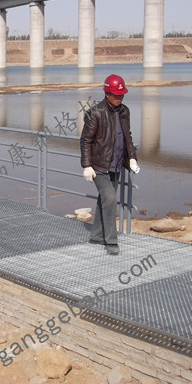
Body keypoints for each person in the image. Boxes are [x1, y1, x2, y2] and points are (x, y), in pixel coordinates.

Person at [80, 74, 140, 255]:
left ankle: (96, 236)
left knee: (105, 200)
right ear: (107, 93)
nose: (119, 98)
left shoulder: (124, 111)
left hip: (116, 164)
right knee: (110, 199)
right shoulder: (95, 113)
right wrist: (87, 165)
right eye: (116, 95)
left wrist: (132, 158)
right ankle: (111, 241)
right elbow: (85, 140)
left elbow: (127, 136)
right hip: (99, 166)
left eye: (122, 94)